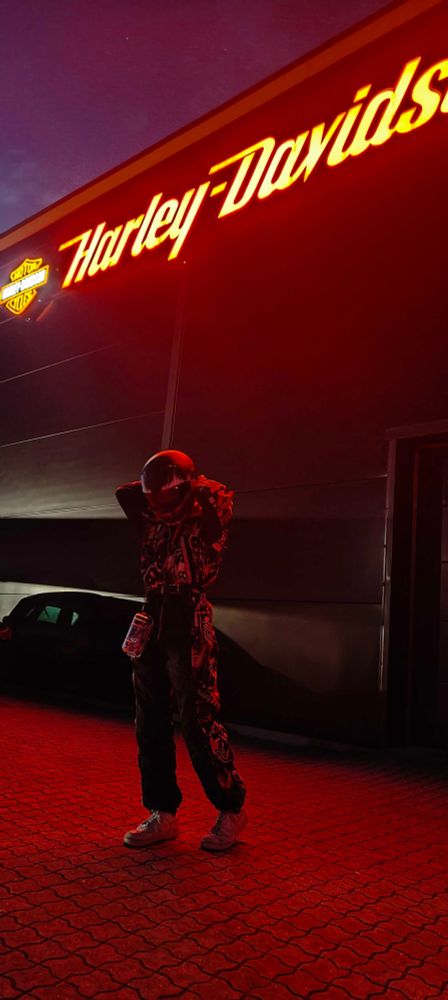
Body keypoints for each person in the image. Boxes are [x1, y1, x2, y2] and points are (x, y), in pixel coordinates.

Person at [116, 449, 247, 851]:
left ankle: (231, 809)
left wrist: (187, 484)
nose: (157, 505)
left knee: (197, 717)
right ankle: (163, 814)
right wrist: (157, 484)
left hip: (188, 614)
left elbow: (216, 495)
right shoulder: (152, 517)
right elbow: (126, 493)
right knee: (149, 718)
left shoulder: (208, 515)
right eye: (153, 496)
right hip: (152, 611)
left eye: (165, 495)